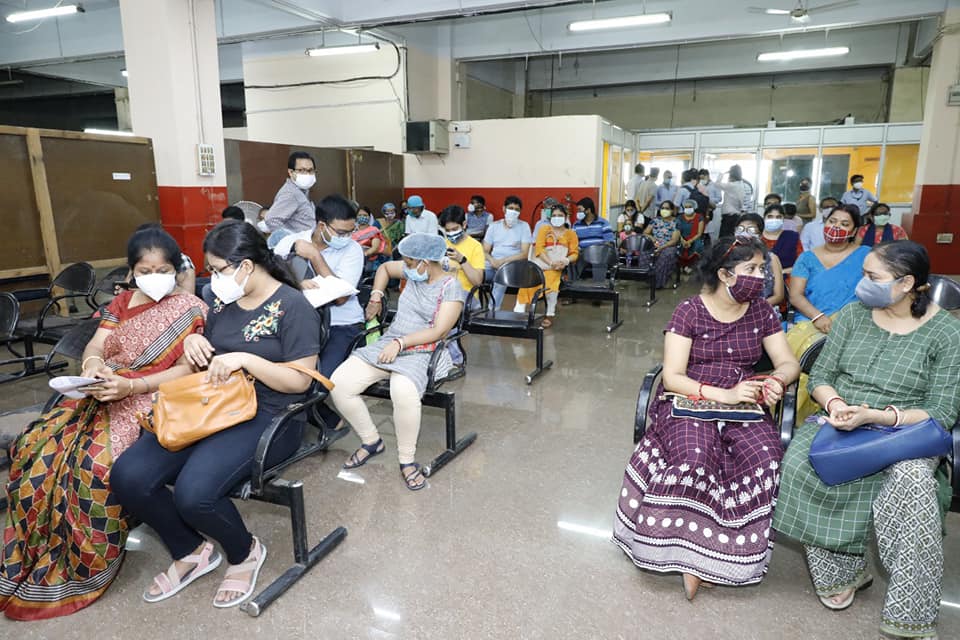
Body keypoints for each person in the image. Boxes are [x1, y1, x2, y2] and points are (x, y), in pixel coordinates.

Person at [112, 220, 322, 609]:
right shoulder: (223, 301)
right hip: (212, 404)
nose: (213, 278)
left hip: (268, 416)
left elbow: (299, 382)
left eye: (219, 268)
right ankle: (190, 550)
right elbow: (210, 353)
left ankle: (244, 552)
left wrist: (246, 359)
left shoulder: (294, 307)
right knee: (130, 476)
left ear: (245, 266)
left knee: (195, 494)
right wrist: (195, 340)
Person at [0, 227, 206, 620]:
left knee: (93, 469)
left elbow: (186, 371)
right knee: (36, 452)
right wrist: (93, 366)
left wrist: (133, 384)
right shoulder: (123, 302)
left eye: (163, 268)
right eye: (145, 269)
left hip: (153, 398)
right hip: (103, 391)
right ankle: (36, 555)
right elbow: (97, 342)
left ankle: (86, 568)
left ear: (176, 269)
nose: (154, 275)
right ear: (132, 271)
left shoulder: (190, 308)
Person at [774, 241, 960, 640]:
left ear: (907, 283)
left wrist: (878, 417)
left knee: (912, 483)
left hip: (906, 431)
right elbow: (821, 375)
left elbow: (942, 411)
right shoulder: (853, 316)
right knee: (799, 464)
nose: (862, 284)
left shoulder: (947, 332)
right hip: (842, 417)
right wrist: (837, 404)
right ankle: (843, 572)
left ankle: (910, 612)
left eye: (873, 278)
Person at [613, 237, 799, 601]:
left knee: (765, 457)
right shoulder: (690, 311)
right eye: (752, 270)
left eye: (762, 269)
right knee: (697, 457)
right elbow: (673, 377)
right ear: (725, 274)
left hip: (744, 397)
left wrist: (776, 381)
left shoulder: (761, 310)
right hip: (690, 395)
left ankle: (729, 554)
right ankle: (687, 554)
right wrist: (723, 395)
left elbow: (788, 362)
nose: (760, 278)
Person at [330, 233, 465, 491]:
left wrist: (401, 344)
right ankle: (371, 441)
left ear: (426, 262)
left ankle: (406, 461)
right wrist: (377, 296)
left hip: (425, 348)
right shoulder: (413, 269)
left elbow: (438, 332)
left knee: (402, 390)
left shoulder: (451, 287)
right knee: (339, 383)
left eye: (410, 262)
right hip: (391, 340)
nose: (406, 267)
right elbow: (383, 268)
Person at [788, 206, 869, 329]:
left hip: (854, 323)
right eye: (832, 221)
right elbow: (795, 296)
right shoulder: (806, 258)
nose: (836, 226)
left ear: (853, 232)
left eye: (844, 224)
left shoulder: (866, 255)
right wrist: (818, 317)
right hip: (811, 319)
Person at [516, 203, 579, 328]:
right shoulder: (544, 229)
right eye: (554, 215)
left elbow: (574, 253)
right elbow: (539, 249)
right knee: (527, 282)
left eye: (560, 215)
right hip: (542, 264)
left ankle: (549, 314)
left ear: (566, 217)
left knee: (551, 284)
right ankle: (518, 313)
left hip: (558, 268)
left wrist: (565, 261)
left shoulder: (571, 234)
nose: (557, 217)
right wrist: (550, 263)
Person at [483, 195, 533, 311]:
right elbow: (485, 250)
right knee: (474, 273)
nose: (513, 211)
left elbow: (525, 254)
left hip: (513, 265)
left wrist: (503, 262)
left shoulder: (524, 226)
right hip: (492, 263)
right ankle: (472, 309)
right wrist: (492, 260)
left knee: (501, 277)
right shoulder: (494, 226)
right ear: (504, 209)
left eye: (517, 209)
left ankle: (492, 311)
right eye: (510, 208)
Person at [262, 151, 317, 244]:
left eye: (310, 170)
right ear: (291, 172)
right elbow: (271, 219)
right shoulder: (291, 193)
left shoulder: (302, 191)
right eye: (302, 170)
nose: (307, 174)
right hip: (300, 248)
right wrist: (292, 241)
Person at [736, 214, 785, 308]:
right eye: (740, 229)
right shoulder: (727, 257)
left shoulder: (771, 258)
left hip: (762, 309)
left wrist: (751, 309)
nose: (744, 233)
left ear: (760, 234)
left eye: (751, 230)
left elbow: (779, 296)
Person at [642, 200, 681, 289]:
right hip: (655, 244)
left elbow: (674, 240)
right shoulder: (655, 220)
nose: (664, 210)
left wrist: (661, 248)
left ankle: (659, 282)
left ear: (672, 210)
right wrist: (652, 239)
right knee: (644, 253)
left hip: (668, 246)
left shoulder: (676, 222)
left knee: (666, 255)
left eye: (667, 208)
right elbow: (645, 233)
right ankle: (648, 279)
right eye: (662, 208)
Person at [760, 204, 802, 274]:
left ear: (783, 219)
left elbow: (801, 264)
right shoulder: (757, 237)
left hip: (786, 279)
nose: (774, 220)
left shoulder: (792, 237)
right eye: (770, 217)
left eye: (778, 217)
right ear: (764, 218)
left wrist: (781, 272)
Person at [715, 165, 749, 239]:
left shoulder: (731, 185)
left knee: (723, 239)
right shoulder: (741, 185)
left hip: (728, 216)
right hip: (736, 215)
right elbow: (741, 202)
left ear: (731, 174)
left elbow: (717, 184)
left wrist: (722, 174)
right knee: (732, 237)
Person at [353, 205, 388, 276]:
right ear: (356, 217)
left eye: (365, 215)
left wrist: (364, 255)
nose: (362, 217)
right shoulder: (353, 231)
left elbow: (375, 248)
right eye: (360, 215)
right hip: (354, 260)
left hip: (369, 261)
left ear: (369, 217)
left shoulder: (373, 230)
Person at [677, 198, 705, 273]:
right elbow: (677, 231)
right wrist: (682, 240)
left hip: (695, 238)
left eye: (690, 207)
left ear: (694, 207)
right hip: (681, 238)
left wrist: (690, 241)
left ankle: (690, 266)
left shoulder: (699, 217)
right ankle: (681, 265)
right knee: (677, 246)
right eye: (686, 207)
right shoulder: (680, 217)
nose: (688, 209)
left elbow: (699, 233)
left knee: (697, 245)